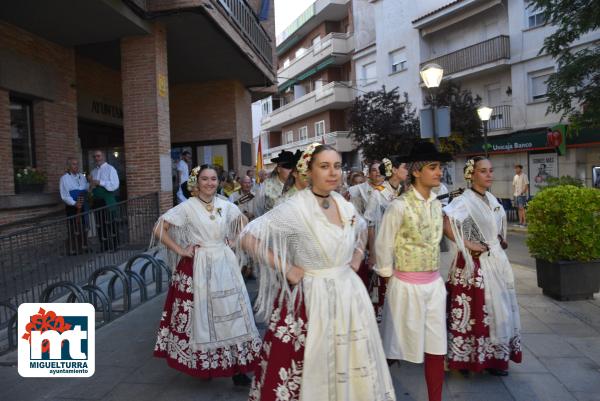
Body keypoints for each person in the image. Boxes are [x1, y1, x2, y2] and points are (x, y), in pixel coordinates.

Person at [242, 143, 396, 401]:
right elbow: (248, 236)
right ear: (308, 171)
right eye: (324, 166)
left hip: (348, 295)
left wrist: (358, 257)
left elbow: (361, 229)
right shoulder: (295, 207)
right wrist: (286, 267)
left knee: (352, 362)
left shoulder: (343, 204)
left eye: (337, 166)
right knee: (312, 363)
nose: (333, 172)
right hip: (311, 298)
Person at [152, 165, 261, 385]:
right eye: (204, 179)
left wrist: (234, 240)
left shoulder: (225, 205)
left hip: (224, 264)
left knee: (233, 314)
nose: (210, 183)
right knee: (201, 318)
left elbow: (244, 224)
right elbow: (159, 229)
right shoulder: (187, 207)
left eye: (213, 179)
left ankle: (238, 370)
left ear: (218, 182)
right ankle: (206, 366)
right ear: (196, 182)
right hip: (198, 265)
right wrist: (181, 250)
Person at [375, 141, 451, 401]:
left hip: (433, 286)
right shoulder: (399, 206)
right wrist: (389, 279)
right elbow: (383, 245)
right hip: (405, 286)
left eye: (440, 167)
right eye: (433, 167)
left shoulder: (437, 204)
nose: (439, 172)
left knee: (436, 345)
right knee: (395, 346)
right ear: (417, 172)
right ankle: (374, 389)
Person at [443, 156, 522, 376]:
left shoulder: (490, 198)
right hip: (473, 264)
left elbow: (492, 225)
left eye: (490, 170)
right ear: (472, 174)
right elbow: (446, 221)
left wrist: (498, 238)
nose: (489, 175)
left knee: (499, 311)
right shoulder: (464, 200)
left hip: (495, 261)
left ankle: (495, 359)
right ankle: (468, 360)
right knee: (477, 312)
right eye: (483, 171)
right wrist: (466, 243)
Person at [364, 156, 408, 321]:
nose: (407, 171)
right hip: (387, 245)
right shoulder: (379, 193)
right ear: (395, 170)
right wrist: (373, 254)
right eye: (404, 167)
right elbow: (370, 223)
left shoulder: (405, 190)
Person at [89, 150, 120, 251]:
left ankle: (116, 245)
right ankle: (105, 246)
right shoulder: (93, 171)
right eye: (94, 157)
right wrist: (90, 185)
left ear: (103, 157)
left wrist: (100, 182)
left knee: (111, 223)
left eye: (98, 156)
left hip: (108, 200)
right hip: (97, 201)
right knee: (100, 224)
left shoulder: (110, 169)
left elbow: (115, 185)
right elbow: (91, 187)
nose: (96, 158)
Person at [60, 157, 89, 255]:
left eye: (77, 164)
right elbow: (64, 195)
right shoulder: (64, 178)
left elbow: (85, 188)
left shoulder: (82, 176)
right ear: (68, 166)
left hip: (83, 204)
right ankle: (75, 249)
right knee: (73, 228)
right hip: (72, 206)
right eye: (73, 164)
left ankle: (84, 247)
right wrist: (74, 203)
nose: (76, 166)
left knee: (83, 226)